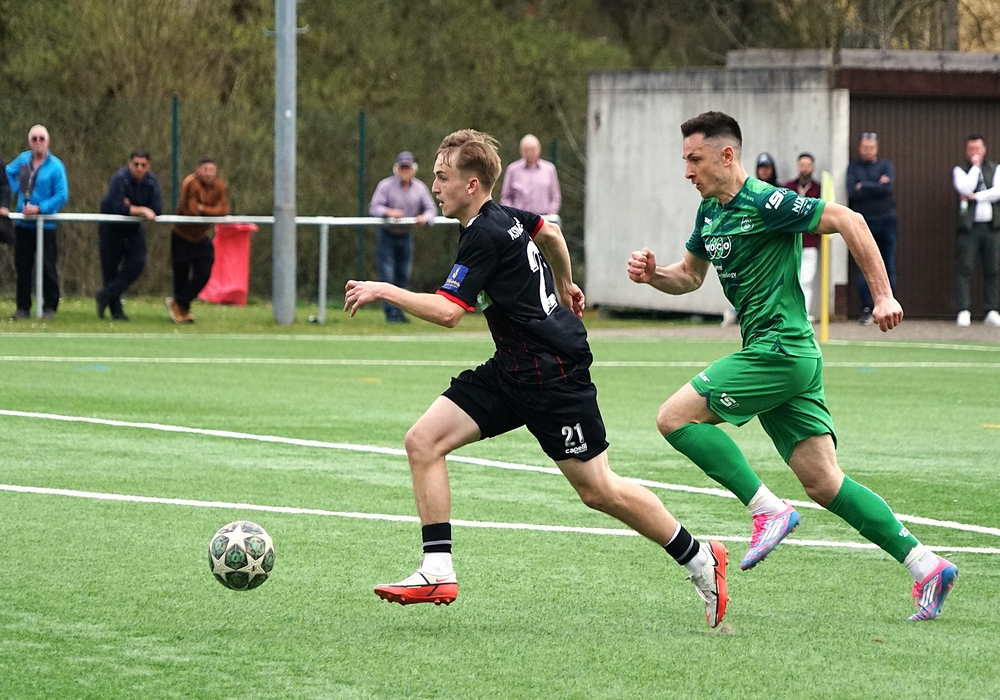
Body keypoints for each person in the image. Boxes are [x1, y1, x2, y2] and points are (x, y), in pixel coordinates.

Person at [345, 129, 729, 628]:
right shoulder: (504, 217)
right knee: (423, 441)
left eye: (442, 177)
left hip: (553, 375)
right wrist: (566, 282)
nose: (434, 187)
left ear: (472, 184)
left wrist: (384, 289)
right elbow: (550, 233)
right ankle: (437, 569)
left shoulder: (484, 234)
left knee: (599, 490)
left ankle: (700, 557)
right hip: (513, 368)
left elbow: (448, 312)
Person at [627, 111, 957, 622]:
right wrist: (654, 276)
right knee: (823, 482)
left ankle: (767, 509)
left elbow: (851, 220)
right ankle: (926, 565)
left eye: (695, 159)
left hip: (778, 349)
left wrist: (883, 295)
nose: (687, 171)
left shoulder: (767, 201)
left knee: (674, 418)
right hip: (786, 356)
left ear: (726, 155)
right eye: (685, 160)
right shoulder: (710, 212)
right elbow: (689, 276)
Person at [4, 125, 69, 320]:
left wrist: (40, 208)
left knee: (47, 267)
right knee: (23, 267)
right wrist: (17, 190)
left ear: (48, 141)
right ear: (29, 141)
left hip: (46, 225)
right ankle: (23, 308)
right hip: (23, 225)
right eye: (34, 139)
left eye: (42, 138)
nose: (38, 142)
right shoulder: (23, 160)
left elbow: (62, 195)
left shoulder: (56, 166)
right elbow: (6, 173)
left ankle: (50, 307)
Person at [368, 151, 437, 323]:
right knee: (387, 275)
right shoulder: (385, 186)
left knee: (403, 275)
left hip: (406, 235)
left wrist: (424, 218)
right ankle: (390, 313)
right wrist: (389, 212)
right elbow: (374, 207)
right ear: (396, 169)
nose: (405, 171)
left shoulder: (420, 188)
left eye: (407, 168)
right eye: (402, 168)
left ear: (413, 169)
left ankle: (400, 312)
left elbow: (431, 209)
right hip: (387, 235)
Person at [96, 149, 163, 321]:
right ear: (129, 164)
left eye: (143, 165)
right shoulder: (119, 179)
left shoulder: (152, 182)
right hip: (111, 227)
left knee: (137, 262)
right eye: (136, 164)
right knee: (110, 269)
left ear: (148, 166)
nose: (139, 168)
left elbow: (157, 209)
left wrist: (132, 207)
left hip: (133, 228)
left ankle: (105, 294)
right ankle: (116, 311)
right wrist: (142, 209)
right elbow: (118, 207)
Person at [166, 157, 228, 324]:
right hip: (181, 235)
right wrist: (211, 210)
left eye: (212, 170)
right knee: (181, 275)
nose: (208, 174)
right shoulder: (190, 183)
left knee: (204, 272)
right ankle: (182, 311)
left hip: (201, 236)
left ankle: (178, 302)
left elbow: (223, 210)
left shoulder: (220, 186)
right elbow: (191, 211)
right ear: (198, 170)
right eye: (205, 169)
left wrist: (203, 208)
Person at [847, 132, 897, 326]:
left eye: (871, 147)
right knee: (864, 266)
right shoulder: (853, 168)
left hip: (887, 221)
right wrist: (876, 185)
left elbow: (887, 188)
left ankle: (889, 308)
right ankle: (867, 309)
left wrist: (864, 186)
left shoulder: (886, 166)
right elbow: (852, 192)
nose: (868, 150)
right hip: (863, 224)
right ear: (860, 148)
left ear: (877, 148)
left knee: (888, 265)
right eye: (865, 147)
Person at [952, 135, 1000, 328]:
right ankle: (964, 310)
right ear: (967, 151)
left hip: (991, 228)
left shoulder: (996, 168)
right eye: (971, 149)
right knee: (965, 268)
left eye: (978, 148)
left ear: (984, 149)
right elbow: (965, 188)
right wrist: (975, 167)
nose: (975, 152)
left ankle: (991, 310)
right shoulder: (960, 170)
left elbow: (998, 192)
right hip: (969, 229)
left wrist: (976, 197)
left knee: (992, 269)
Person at [784, 153, 822, 322]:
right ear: (797, 167)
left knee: (806, 279)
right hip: (790, 242)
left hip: (810, 242)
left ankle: (803, 314)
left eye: (808, 165)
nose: (805, 169)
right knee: (791, 279)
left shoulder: (818, 189)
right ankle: (790, 314)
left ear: (813, 167)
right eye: (802, 165)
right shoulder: (789, 187)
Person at [499, 134, 562, 215]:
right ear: (521, 151)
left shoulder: (549, 169)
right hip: (520, 217)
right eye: (526, 150)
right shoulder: (512, 170)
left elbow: (555, 197)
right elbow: (505, 197)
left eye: (533, 149)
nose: (530, 153)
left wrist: (550, 213)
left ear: (539, 149)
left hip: (544, 217)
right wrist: (513, 214)